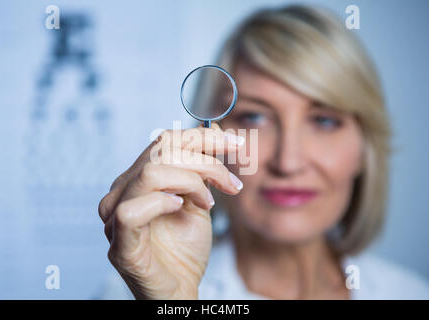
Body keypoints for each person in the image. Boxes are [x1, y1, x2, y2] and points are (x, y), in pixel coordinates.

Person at [97, 4, 429, 299]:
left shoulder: (410, 292)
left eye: (324, 121)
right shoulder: (132, 294)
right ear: (210, 141)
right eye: (255, 118)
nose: (289, 162)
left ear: (364, 149)